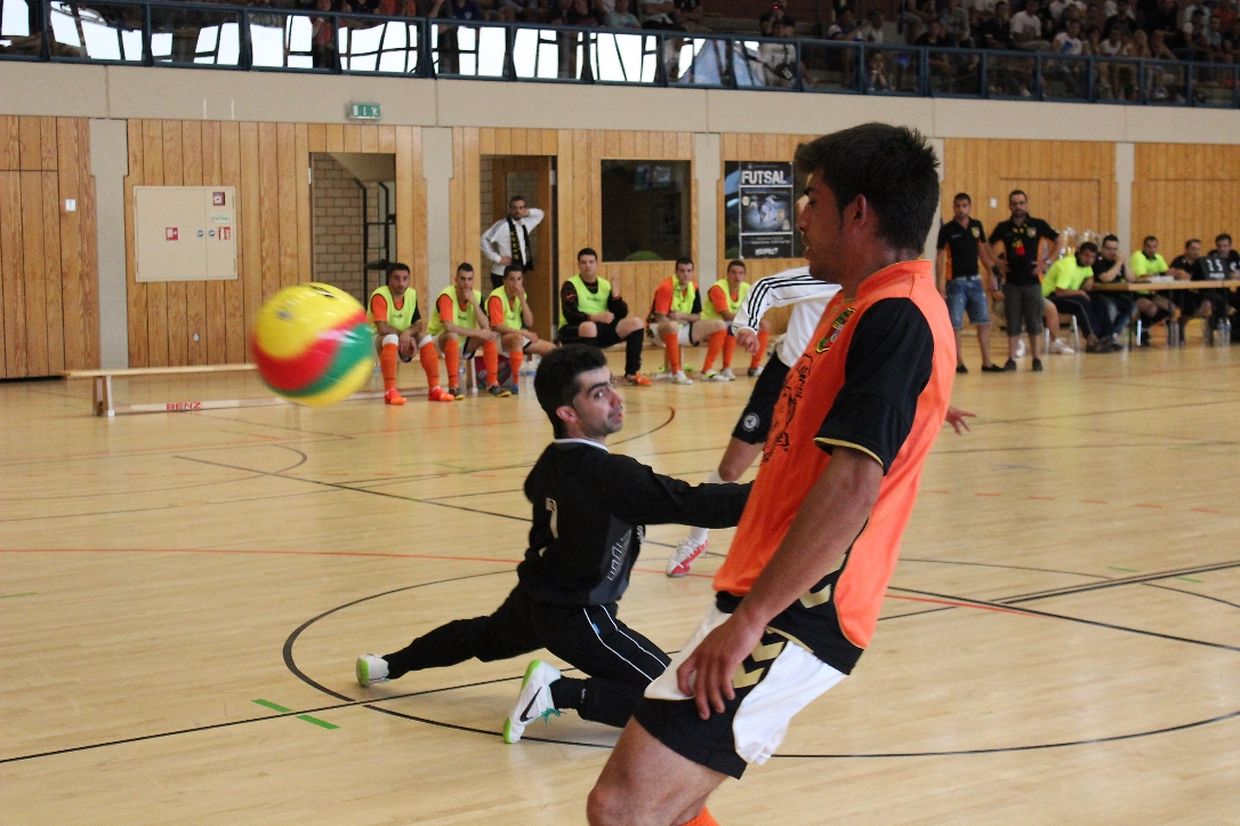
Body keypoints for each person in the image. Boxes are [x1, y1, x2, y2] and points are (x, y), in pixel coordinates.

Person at [588, 123, 955, 826]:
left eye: (813, 199)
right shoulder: (856, 303)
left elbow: (853, 485)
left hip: (799, 609)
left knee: (623, 808)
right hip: (769, 593)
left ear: (858, 212)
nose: (801, 217)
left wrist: (753, 619)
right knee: (661, 809)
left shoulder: (897, 315)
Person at [354, 345, 750, 745]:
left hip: (535, 600)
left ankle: (388, 665)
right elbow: (699, 504)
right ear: (567, 413)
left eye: (611, 384)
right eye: (598, 393)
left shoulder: (551, 460)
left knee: (480, 637)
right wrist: (775, 496)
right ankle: (556, 692)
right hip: (580, 615)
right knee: (677, 700)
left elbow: (543, 492)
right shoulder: (611, 475)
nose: (616, 398)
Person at [666, 261, 975, 579]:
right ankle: (696, 540)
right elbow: (767, 287)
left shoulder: (888, 297)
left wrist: (936, 403)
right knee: (731, 468)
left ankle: (798, 562)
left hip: (828, 390)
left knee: (817, 482)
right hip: (784, 378)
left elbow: (895, 368)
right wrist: (746, 326)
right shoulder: (827, 274)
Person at [558, 247, 651, 386]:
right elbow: (570, 314)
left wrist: (616, 295)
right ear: (578, 265)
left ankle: (631, 373)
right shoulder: (570, 285)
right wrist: (594, 317)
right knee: (590, 327)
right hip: (574, 329)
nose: (587, 265)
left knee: (636, 323)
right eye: (583, 262)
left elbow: (621, 314)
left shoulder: (604, 284)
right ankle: (593, 373)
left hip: (599, 329)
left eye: (591, 262)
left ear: (597, 264)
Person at [990, 189, 1059, 371]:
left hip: (1033, 281)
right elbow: (987, 244)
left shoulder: (1038, 224)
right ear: (1009, 206)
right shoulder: (1004, 227)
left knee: (1034, 321)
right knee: (1013, 322)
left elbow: (1058, 240)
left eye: (1021, 203)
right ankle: (1011, 359)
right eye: (1014, 203)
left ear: (1026, 204)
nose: (1018, 206)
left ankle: (1036, 359)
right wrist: (998, 262)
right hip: (1012, 282)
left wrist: (1045, 262)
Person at [368, 261, 454, 404]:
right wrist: (405, 335)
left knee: (425, 338)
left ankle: (434, 388)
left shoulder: (411, 294)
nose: (401, 283)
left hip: (400, 338)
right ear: (389, 279)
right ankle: (390, 391)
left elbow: (419, 324)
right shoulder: (380, 295)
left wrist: (407, 334)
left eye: (405, 278)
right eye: (397, 278)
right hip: (373, 342)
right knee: (391, 337)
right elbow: (382, 328)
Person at [936, 192, 1003, 373]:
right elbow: (940, 257)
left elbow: (982, 252)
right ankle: (958, 362)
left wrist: (991, 274)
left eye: (964, 206)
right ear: (953, 207)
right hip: (955, 283)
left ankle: (987, 362)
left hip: (975, 281)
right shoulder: (947, 229)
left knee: (984, 321)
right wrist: (940, 285)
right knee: (955, 324)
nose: (961, 209)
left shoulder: (976, 226)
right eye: (958, 206)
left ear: (969, 207)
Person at [429, 262, 510, 398]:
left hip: (464, 342)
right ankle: (454, 386)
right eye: (462, 279)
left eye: (469, 279)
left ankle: (492, 384)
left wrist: (474, 304)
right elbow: (449, 327)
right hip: (438, 341)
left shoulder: (476, 296)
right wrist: (477, 332)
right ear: (456, 280)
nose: (466, 283)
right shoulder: (447, 296)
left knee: (489, 335)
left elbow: (486, 326)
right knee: (452, 335)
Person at [649, 258, 726, 385]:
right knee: (672, 326)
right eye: (682, 271)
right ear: (676, 272)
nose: (686, 274)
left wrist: (681, 316)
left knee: (720, 325)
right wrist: (678, 322)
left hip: (681, 326)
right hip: (656, 330)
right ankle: (676, 372)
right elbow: (660, 317)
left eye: (689, 271)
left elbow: (698, 316)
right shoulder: (666, 287)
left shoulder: (694, 287)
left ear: (693, 272)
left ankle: (707, 370)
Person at [487, 264, 557, 393]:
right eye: (512, 279)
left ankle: (545, 381)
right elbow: (497, 326)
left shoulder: (521, 296)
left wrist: (523, 301)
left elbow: (529, 322)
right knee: (517, 338)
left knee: (551, 348)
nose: (516, 284)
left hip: (516, 336)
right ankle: (516, 382)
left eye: (519, 279)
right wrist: (523, 332)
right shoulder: (496, 297)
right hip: (497, 338)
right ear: (504, 281)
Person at [698, 260, 770, 382]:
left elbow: (755, 313)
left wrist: (753, 322)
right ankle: (722, 368)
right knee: (731, 326)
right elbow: (726, 315)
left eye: (741, 273)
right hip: (708, 326)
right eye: (734, 273)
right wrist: (748, 322)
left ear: (744, 275)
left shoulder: (747, 288)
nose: (737, 277)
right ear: (727, 274)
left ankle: (755, 367)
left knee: (764, 325)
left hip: (731, 324)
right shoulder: (718, 288)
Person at [1041, 241, 1116, 351]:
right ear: (1079, 253)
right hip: (1049, 296)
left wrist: (1090, 280)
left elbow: (1089, 277)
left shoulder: (1086, 266)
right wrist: (1080, 292)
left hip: (1067, 296)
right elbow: (1059, 291)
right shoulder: (1068, 265)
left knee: (1098, 300)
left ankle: (1106, 337)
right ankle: (1091, 339)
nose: (1089, 260)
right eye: (1086, 255)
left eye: (1092, 257)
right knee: (1080, 301)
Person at [480, 195, 545, 290]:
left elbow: (540, 214)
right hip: (501, 273)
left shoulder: (525, 224)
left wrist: (528, 212)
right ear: (510, 209)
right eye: (514, 208)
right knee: (502, 299)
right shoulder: (503, 225)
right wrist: (498, 258)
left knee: (516, 298)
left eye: (521, 208)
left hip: (517, 274)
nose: (517, 211)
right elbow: (483, 239)